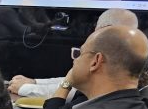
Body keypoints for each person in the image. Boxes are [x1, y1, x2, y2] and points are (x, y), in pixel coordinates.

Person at [8, 8, 139, 97]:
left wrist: (25, 89)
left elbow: (78, 90)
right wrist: (35, 82)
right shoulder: (131, 53)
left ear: (104, 29)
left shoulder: (111, 57)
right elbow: (75, 80)